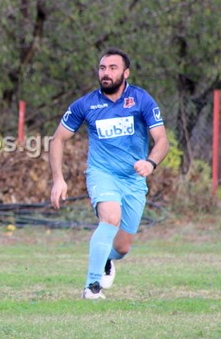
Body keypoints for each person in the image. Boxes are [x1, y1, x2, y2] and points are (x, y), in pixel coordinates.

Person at [49, 48, 169, 300]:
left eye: (113, 68)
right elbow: (57, 139)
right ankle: (92, 286)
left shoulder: (141, 100)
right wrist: (58, 179)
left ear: (126, 73)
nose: (106, 73)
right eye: (102, 68)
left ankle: (106, 259)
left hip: (134, 180)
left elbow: (161, 140)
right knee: (110, 217)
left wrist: (150, 163)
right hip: (101, 173)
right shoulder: (85, 104)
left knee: (122, 247)